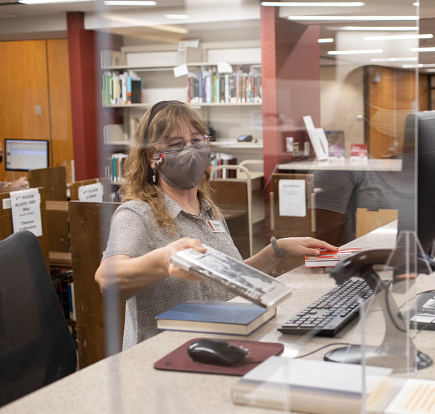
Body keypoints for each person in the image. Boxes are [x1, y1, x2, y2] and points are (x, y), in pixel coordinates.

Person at [95, 101, 335, 350]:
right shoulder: (136, 213)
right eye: (177, 144)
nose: (191, 150)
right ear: (152, 157)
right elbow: (107, 280)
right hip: (164, 358)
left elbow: (228, 279)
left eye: (198, 140)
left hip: (219, 348)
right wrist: (164, 260)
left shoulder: (209, 210)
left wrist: (277, 250)